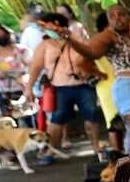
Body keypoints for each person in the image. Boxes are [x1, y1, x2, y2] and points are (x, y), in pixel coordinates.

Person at [60, 3, 130, 153]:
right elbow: (90, 52)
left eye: (122, 14)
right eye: (112, 16)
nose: (117, 18)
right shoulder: (109, 37)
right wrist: (70, 39)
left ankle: (129, 171)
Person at [25, 12, 105, 162]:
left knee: (91, 115)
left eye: (44, 25)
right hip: (59, 87)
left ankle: (96, 148)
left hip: (83, 85)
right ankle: (50, 151)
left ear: (55, 23)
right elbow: (36, 66)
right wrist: (29, 87)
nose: (42, 29)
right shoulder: (45, 44)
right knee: (57, 120)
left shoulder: (78, 39)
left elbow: (91, 57)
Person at [0, 23, 30, 118]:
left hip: (23, 91)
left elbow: (33, 67)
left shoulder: (22, 50)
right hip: (3, 93)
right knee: (9, 122)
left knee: (28, 119)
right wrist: (13, 76)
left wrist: (25, 77)